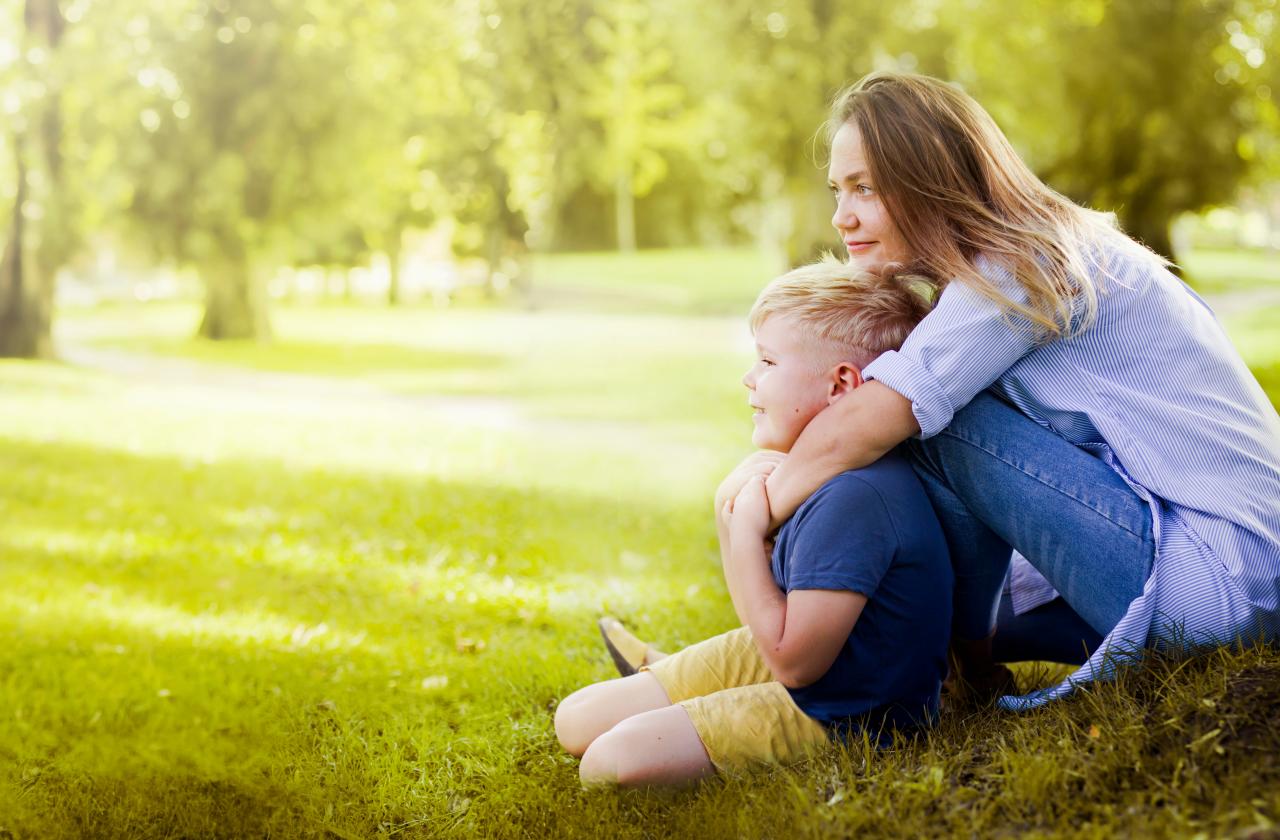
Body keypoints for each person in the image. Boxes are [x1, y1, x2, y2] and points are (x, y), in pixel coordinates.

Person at [762, 72, 1280, 709]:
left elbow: (868, 418)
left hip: (1215, 577)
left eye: (865, 189)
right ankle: (700, 673)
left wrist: (756, 518)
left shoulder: (1020, 264)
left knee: (927, 413)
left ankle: (962, 676)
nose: (842, 217)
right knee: (914, 601)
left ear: (930, 177)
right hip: (1234, 574)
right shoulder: (1036, 247)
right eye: (838, 190)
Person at [553, 258, 952, 787]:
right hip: (817, 669)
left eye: (767, 362)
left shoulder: (856, 497)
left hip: (848, 711)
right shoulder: (816, 476)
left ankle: (694, 694)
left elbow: (793, 663)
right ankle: (689, 685)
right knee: (574, 720)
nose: (749, 377)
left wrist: (737, 531)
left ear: (840, 385)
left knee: (607, 765)